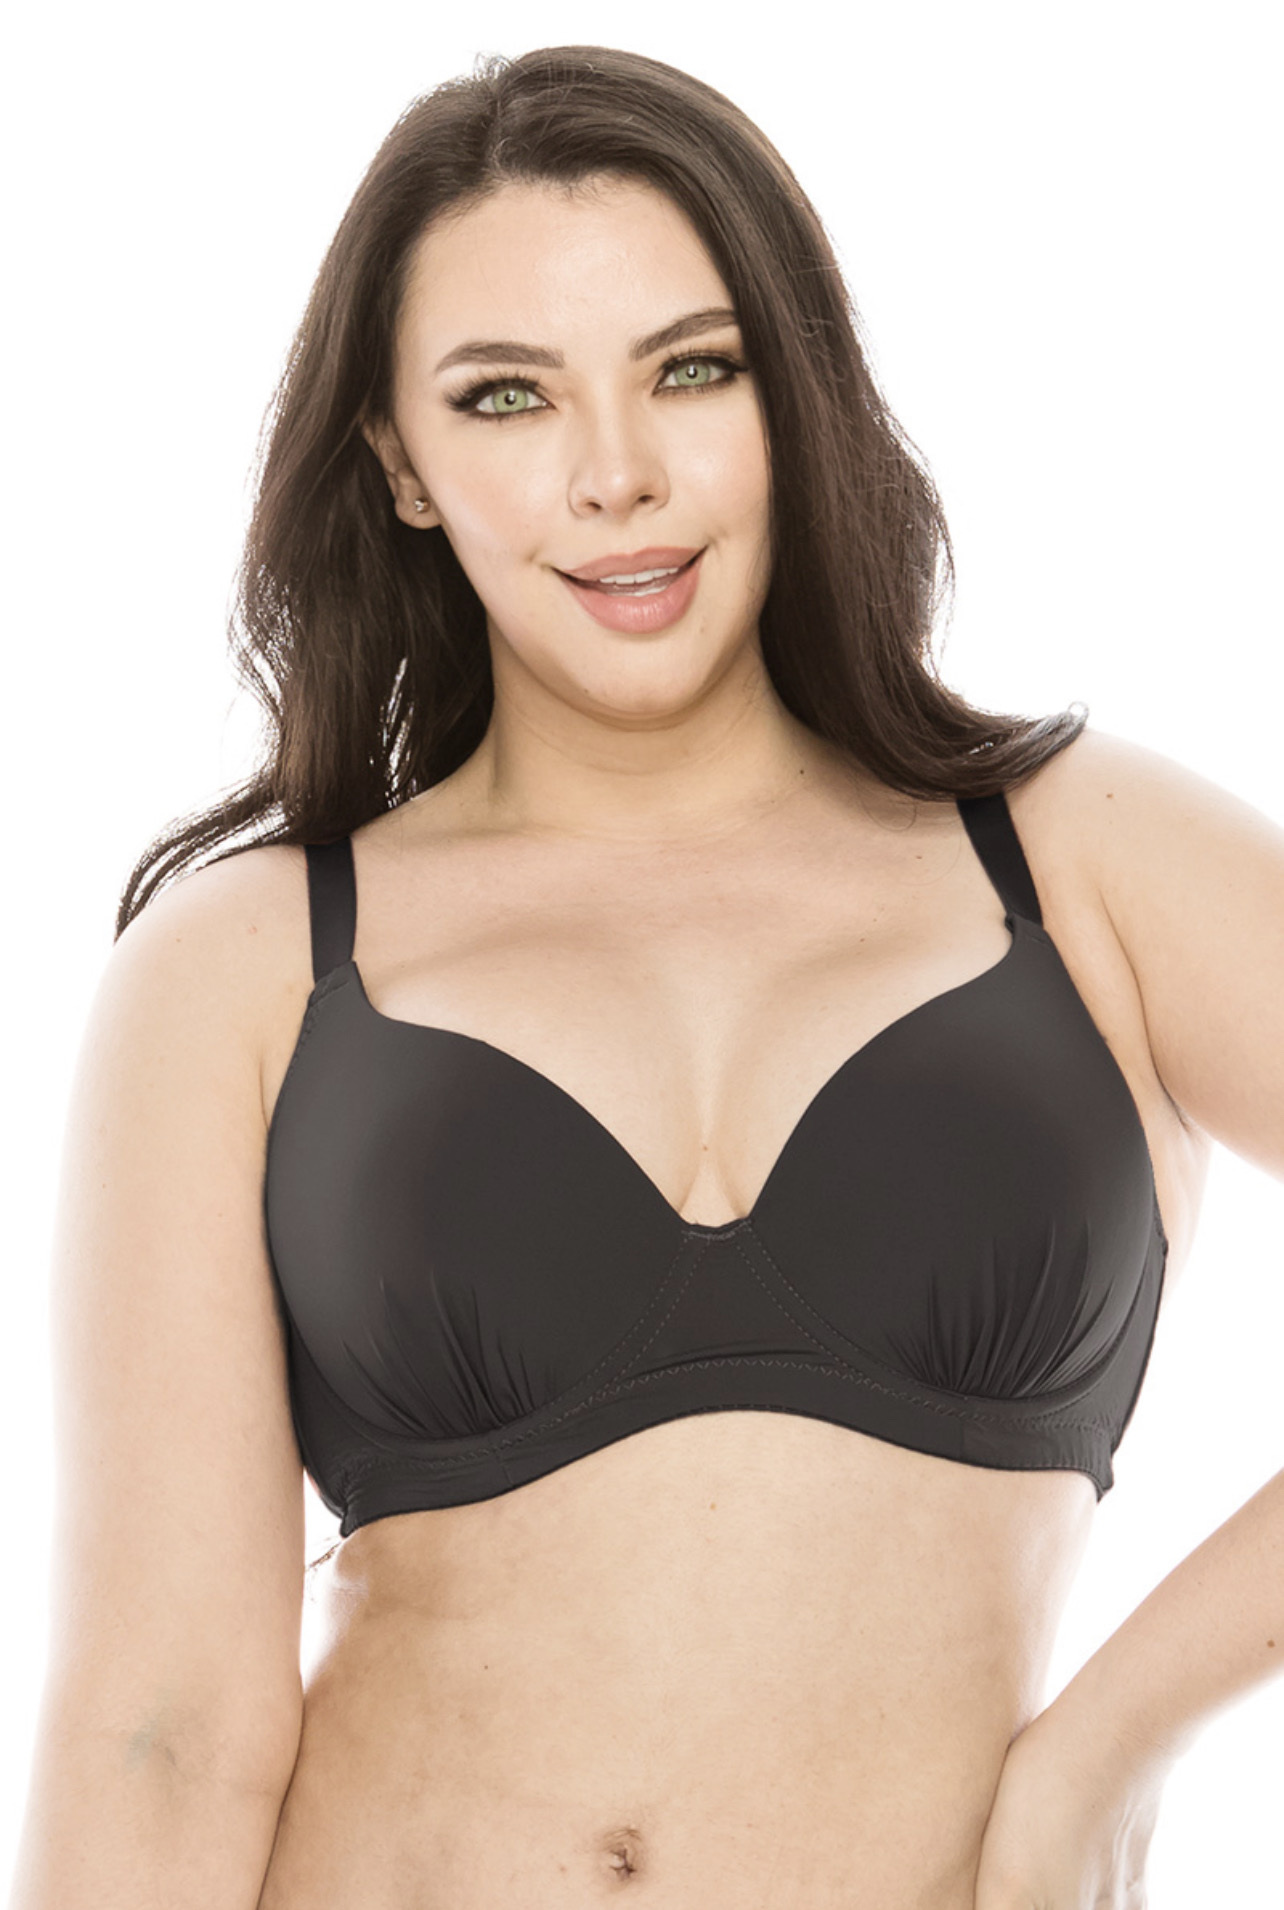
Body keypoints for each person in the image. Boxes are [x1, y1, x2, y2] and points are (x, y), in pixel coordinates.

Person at [9, 42, 1283, 1910]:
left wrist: (1112, 1749)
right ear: (402, 465)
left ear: (797, 392)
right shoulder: (248, 966)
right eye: (506, 397)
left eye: (692, 369)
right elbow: (164, 1731)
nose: (615, 475)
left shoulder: (1080, 857)